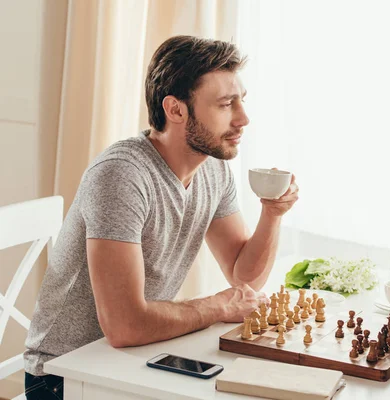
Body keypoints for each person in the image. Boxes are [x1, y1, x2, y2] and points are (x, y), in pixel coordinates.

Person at [23, 36, 299, 399]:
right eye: (226, 104)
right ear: (176, 109)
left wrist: (272, 214)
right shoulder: (121, 175)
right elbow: (124, 326)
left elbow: (245, 277)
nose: (243, 118)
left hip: (132, 361)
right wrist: (217, 305)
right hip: (63, 377)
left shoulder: (213, 169)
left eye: (241, 100)